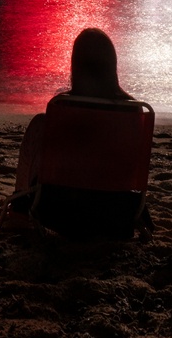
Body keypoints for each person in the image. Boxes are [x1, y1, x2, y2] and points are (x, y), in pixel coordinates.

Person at [9, 27, 138, 220]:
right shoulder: (133, 112)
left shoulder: (63, 107)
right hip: (117, 213)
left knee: (39, 124)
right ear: (112, 64)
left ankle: (18, 210)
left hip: (61, 211)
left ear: (75, 64)